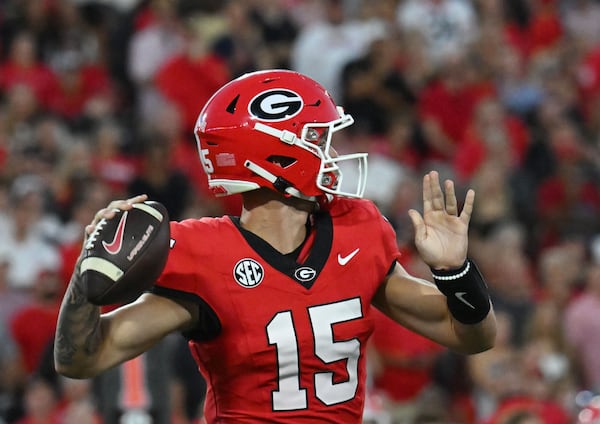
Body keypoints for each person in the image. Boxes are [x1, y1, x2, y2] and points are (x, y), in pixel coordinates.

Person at [53, 69, 496, 423]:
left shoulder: (358, 228)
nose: (332, 152)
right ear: (275, 155)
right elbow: (84, 359)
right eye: (318, 139)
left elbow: (473, 336)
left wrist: (454, 272)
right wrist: (84, 281)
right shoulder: (205, 254)